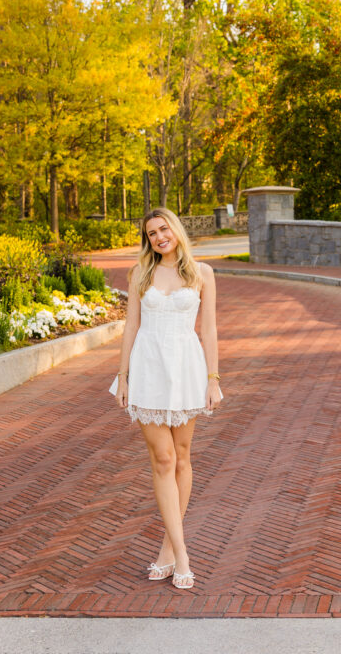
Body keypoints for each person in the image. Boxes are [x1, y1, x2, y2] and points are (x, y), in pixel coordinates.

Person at [108, 207, 223, 591]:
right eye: (151, 233)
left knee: (184, 457)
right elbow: (131, 327)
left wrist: (213, 380)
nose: (159, 237)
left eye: (163, 229)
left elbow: (208, 330)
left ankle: (167, 549)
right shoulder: (140, 273)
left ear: (176, 230)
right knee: (164, 459)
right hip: (149, 369)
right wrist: (122, 376)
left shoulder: (202, 274)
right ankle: (184, 554)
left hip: (187, 370)